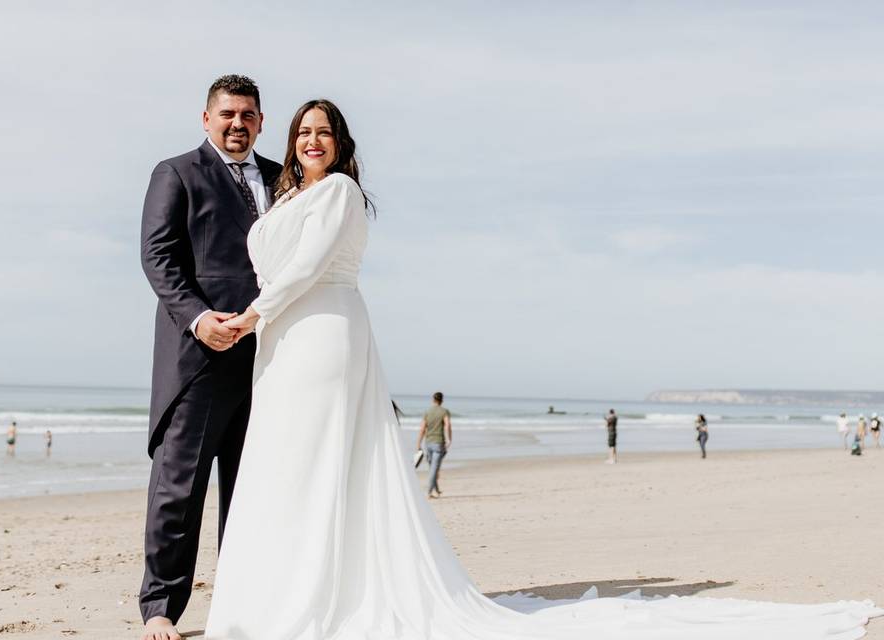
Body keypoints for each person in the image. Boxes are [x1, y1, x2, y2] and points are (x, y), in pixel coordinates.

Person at [202, 100, 880, 640]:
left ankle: (311, 597)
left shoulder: (341, 194)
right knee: (282, 463)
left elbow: (306, 266)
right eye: (303, 132)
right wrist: (259, 321)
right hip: (281, 338)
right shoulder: (287, 198)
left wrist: (253, 315)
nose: (312, 141)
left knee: (316, 465)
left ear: (342, 144)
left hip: (320, 333)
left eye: (324, 132)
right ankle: (279, 591)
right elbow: (275, 259)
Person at [138, 75, 282, 640]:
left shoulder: (282, 178)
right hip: (198, 358)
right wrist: (200, 320)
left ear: (261, 122)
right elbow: (158, 257)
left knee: (252, 492)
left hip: (268, 360)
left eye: (247, 114)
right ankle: (160, 610)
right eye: (227, 114)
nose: (237, 124)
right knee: (179, 489)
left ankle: (242, 604)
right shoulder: (175, 173)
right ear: (206, 118)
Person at [416, 392, 452, 498]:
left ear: (433, 400)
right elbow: (448, 425)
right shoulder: (444, 411)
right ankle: (429, 492)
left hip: (428, 443)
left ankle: (436, 490)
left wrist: (418, 443)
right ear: (442, 400)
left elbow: (422, 428)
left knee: (432, 468)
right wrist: (449, 439)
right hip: (438, 443)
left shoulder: (427, 412)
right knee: (434, 469)